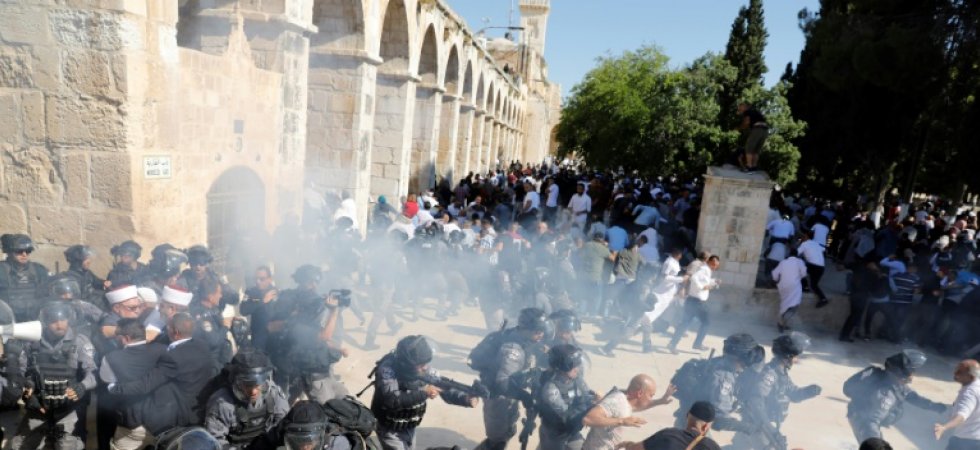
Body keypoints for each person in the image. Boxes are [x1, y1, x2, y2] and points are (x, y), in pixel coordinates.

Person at [107, 313, 218, 435]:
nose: (165, 330)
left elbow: (145, 385)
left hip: (177, 413)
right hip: (198, 407)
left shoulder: (173, 358)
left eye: (167, 327)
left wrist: (115, 388)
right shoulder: (202, 345)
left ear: (175, 332)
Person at [10, 301, 96, 450]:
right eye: (53, 321)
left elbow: (93, 374)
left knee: (68, 446)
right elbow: (20, 374)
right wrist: (27, 395)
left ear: (69, 319)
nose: (59, 325)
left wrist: (82, 386)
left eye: (63, 320)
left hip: (68, 409)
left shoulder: (80, 341)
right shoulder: (32, 342)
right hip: (39, 407)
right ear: (45, 322)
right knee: (18, 445)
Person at [370, 335, 477, 450]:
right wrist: (424, 393)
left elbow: (441, 385)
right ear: (407, 365)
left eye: (425, 363)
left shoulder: (421, 369)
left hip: (409, 425)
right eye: (421, 365)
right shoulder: (388, 370)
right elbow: (392, 399)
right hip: (389, 428)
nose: (425, 368)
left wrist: (464, 398)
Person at [473, 308, 550, 450]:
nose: (541, 334)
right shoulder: (513, 350)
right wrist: (525, 397)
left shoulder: (524, 339)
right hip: (498, 397)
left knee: (509, 429)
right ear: (525, 329)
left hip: (511, 394)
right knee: (497, 440)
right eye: (537, 331)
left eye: (542, 331)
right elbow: (503, 383)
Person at [733, 332, 822, 449]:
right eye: (796, 356)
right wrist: (769, 428)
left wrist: (808, 392)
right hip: (757, 425)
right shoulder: (769, 374)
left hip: (763, 424)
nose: (797, 359)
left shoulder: (781, 373)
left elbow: (793, 393)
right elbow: (756, 400)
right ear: (788, 357)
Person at [844, 349, 947, 443]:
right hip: (862, 423)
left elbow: (913, 398)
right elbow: (870, 423)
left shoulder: (894, 383)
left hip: (861, 416)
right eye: (911, 372)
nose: (913, 375)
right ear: (901, 374)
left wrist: (936, 407)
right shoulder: (886, 395)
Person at [670, 333, 763, 432]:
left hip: (686, 418)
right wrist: (749, 428)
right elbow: (719, 421)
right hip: (692, 430)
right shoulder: (724, 378)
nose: (745, 367)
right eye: (744, 364)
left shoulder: (717, 362)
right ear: (739, 358)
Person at [101, 318, 167, 450]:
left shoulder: (110, 358)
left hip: (130, 425)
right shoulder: (163, 350)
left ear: (125, 338)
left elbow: (108, 382)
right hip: (162, 422)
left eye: (118, 337)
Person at [204, 349, 289, 449]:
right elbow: (215, 441)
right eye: (248, 385)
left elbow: (284, 425)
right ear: (237, 382)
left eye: (257, 385)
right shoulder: (222, 403)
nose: (254, 391)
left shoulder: (273, 394)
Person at [582, 374, 675, 450]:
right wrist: (622, 421)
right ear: (640, 393)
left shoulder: (627, 400)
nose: (651, 399)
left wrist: (661, 401)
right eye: (651, 395)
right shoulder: (616, 402)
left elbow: (638, 406)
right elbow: (588, 419)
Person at [535, 344, 595, 450]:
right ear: (562, 368)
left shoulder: (576, 379)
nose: (577, 369)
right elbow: (567, 416)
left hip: (571, 431)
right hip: (555, 434)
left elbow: (587, 395)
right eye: (573, 366)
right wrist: (587, 409)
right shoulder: (551, 389)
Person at [667, 255, 721, 353]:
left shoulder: (706, 270)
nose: (714, 267)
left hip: (692, 301)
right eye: (713, 264)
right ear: (709, 262)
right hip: (698, 303)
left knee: (685, 323)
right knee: (706, 322)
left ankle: (672, 344)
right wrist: (701, 287)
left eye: (716, 266)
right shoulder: (705, 269)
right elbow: (694, 278)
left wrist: (714, 282)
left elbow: (704, 281)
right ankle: (697, 344)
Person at [620, 401, 721, 450]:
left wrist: (628, 444)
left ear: (687, 416)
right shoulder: (713, 447)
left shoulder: (668, 435)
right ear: (705, 426)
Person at [0, 233, 50, 322]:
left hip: (34, 321)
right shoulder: (2, 270)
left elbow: (47, 296)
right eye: (19, 251)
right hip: (6, 322)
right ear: (9, 252)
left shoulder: (39, 270)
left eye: (28, 251)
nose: (24, 254)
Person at [934, 359, 980, 449]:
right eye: (956, 369)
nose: (955, 373)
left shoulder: (969, 393)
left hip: (965, 442)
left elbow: (962, 416)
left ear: (971, 376)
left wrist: (944, 427)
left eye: (960, 372)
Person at [771, 249, 808, 333]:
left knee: (785, 304)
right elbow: (804, 273)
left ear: (789, 254)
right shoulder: (799, 262)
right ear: (797, 255)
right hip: (794, 286)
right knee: (794, 305)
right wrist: (799, 276)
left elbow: (774, 274)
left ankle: (783, 323)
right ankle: (782, 322)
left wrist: (776, 280)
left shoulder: (783, 262)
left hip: (782, 286)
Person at [798, 229, 830, 308]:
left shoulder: (804, 244)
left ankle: (805, 287)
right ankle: (823, 299)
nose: (802, 237)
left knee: (799, 269)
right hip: (821, 267)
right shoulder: (816, 244)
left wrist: (799, 244)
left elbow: (796, 253)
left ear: (806, 236)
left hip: (812, 266)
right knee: (814, 285)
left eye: (803, 236)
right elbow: (824, 250)